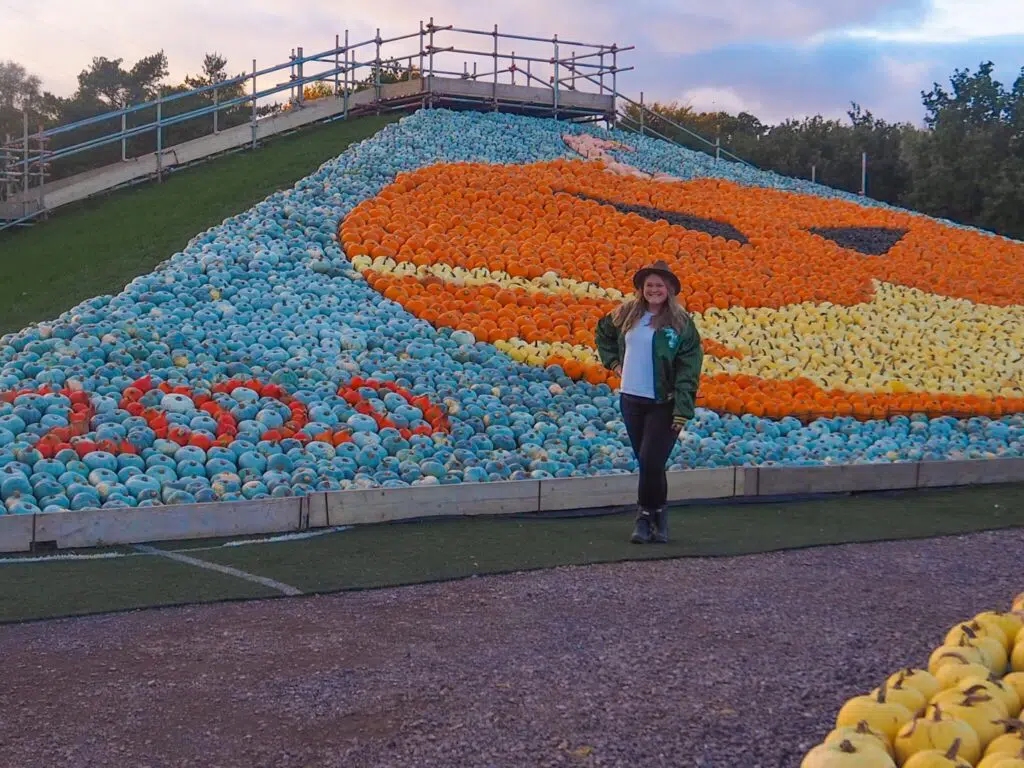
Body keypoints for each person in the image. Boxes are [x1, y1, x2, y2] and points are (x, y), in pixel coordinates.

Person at [595, 260, 704, 544]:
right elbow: (603, 333)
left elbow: (688, 369)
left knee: (650, 460)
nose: (654, 290)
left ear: (669, 290)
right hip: (631, 399)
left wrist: (682, 409)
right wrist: (614, 362)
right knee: (649, 464)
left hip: (662, 402)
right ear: (641, 289)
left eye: (660, 286)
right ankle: (659, 516)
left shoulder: (681, 324)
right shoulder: (626, 314)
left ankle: (644, 517)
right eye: (649, 285)